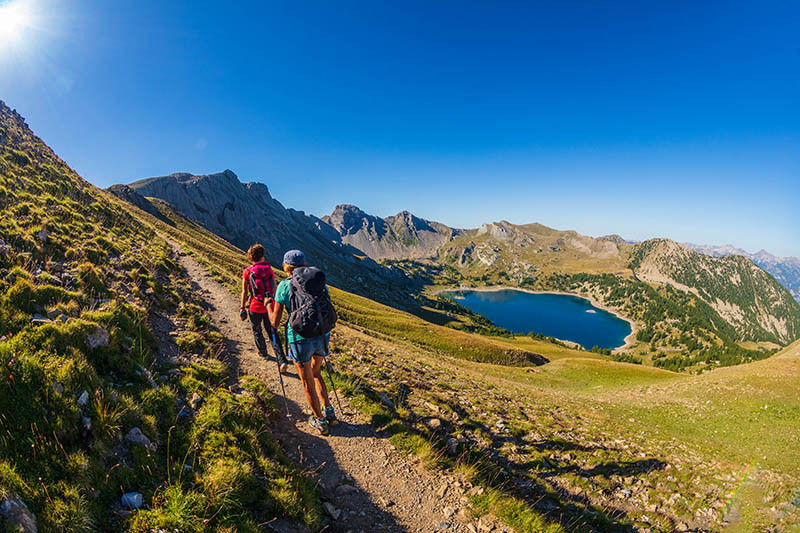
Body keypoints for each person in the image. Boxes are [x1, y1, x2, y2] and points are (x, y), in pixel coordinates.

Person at [269, 249, 336, 435]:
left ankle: (319, 421)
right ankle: (328, 409)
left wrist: (268, 305)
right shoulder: (319, 283)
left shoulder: (284, 286)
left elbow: (274, 322)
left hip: (299, 338)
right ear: (305, 264)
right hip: (322, 333)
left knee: (306, 381)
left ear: (286, 266)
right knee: (316, 373)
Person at [240, 243, 289, 372]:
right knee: (273, 332)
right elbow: (274, 289)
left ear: (251, 257)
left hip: (255, 307)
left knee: (257, 330)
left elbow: (245, 292)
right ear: (262, 256)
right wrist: (273, 303)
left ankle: (263, 352)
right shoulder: (269, 270)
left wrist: (242, 307)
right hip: (269, 307)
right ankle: (282, 360)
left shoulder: (248, 272)